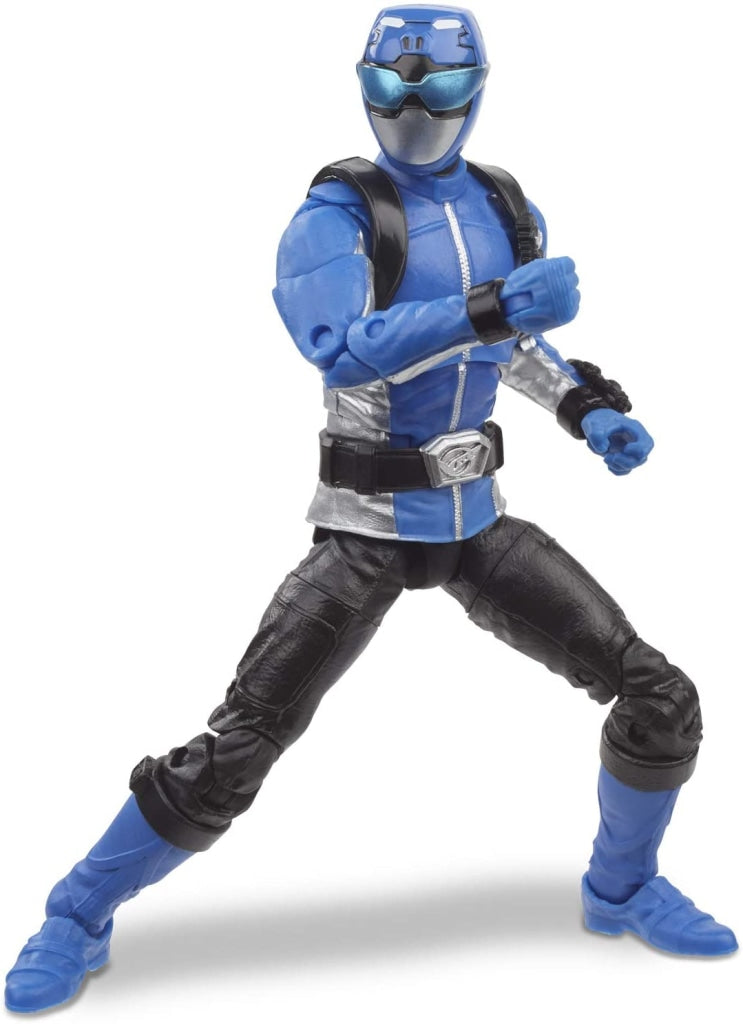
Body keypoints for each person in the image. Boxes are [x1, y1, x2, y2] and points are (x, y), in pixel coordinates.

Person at [4, 4, 736, 1014]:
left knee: (659, 695)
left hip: (474, 521)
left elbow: (508, 348)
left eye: (438, 85)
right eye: (391, 84)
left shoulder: (503, 205)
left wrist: (585, 407)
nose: (413, 106)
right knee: (237, 748)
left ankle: (621, 888)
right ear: (363, 86)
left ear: (476, 89)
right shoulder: (336, 215)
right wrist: (494, 306)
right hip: (365, 530)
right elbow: (341, 348)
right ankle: (75, 913)